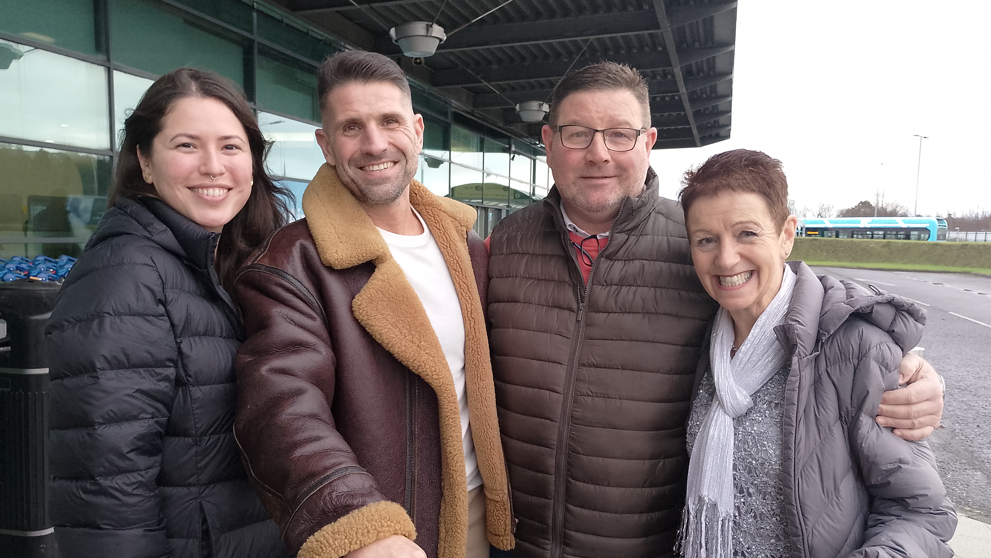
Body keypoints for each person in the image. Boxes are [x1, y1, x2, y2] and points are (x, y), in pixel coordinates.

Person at [485, 61, 946, 558]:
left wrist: (903, 364)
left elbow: (798, 303)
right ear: (549, 142)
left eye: (620, 134)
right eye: (577, 134)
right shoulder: (503, 245)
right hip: (517, 542)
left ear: (648, 141)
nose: (599, 153)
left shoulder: (689, 243)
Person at [232, 50, 514, 558]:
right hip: (382, 529)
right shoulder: (291, 263)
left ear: (419, 130)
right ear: (325, 144)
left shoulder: (467, 246)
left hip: (477, 515)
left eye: (390, 121)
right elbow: (282, 408)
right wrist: (358, 521)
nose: (375, 143)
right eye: (351, 127)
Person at [45, 68, 293, 558]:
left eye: (230, 146)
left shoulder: (222, 261)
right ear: (145, 162)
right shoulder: (125, 275)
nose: (212, 166)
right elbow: (106, 484)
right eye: (185, 146)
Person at [677, 149, 956, 557]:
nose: (726, 258)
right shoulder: (707, 343)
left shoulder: (854, 348)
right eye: (706, 240)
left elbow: (922, 513)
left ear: (787, 235)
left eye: (747, 233)